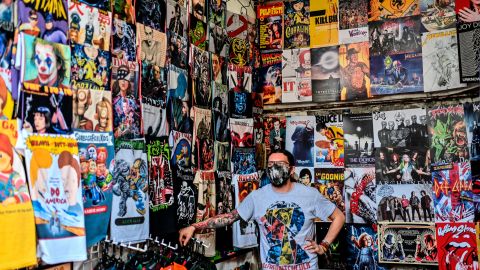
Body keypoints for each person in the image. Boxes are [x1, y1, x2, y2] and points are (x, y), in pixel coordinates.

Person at [179, 150, 345, 270]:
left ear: (292, 169)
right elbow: (229, 217)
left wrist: (324, 245)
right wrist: (195, 226)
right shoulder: (256, 197)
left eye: (280, 164)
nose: (274, 168)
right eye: (271, 164)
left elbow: (339, 217)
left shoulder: (309, 194)